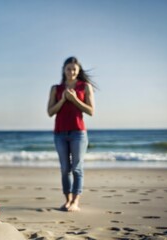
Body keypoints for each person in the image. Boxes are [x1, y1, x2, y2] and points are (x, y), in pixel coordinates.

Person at [47, 57, 95, 212]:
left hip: (78, 133)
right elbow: (50, 112)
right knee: (65, 169)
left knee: (77, 168)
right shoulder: (56, 88)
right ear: (64, 70)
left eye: (74, 69)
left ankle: (76, 201)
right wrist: (62, 100)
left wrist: (74, 99)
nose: (71, 72)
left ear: (78, 70)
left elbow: (91, 111)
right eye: (68, 69)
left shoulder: (85, 87)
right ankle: (67, 200)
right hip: (60, 133)